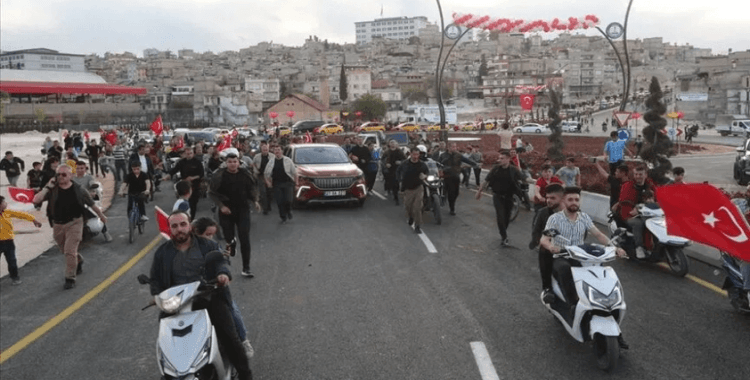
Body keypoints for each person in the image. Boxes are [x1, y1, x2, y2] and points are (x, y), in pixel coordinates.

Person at [148, 211, 253, 380]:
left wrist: (222, 274)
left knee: (229, 335)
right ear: (170, 229)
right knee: (167, 339)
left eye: (183, 224)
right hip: (177, 303)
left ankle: (245, 374)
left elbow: (221, 261)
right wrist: (157, 294)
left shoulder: (207, 245)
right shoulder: (162, 253)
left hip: (209, 297)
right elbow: (155, 278)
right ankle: (170, 373)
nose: (179, 229)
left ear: (190, 225)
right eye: (174, 226)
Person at [539, 187, 629, 349]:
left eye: (576, 200)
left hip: (583, 256)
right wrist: (552, 247)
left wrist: (613, 247)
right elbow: (544, 239)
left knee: (601, 276)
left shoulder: (584, 218)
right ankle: (573, 305)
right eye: (570, 200)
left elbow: (598, 235)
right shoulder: (555, 219)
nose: (574, 203)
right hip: (563, 256)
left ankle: (615, 328)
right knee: (564, 270)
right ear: (564, 201)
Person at [33, 165, 108, 290]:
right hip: (57, 224)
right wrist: (47, 186)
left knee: (69, 251)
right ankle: (78, 259)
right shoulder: (52, 190)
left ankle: (70, 278)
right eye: (58, 175)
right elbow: (36, 200)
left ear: (70, 176)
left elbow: (91, 204)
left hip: (75, 223)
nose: (60, 177)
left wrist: (101, 216)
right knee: (65, 250)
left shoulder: (79, 190)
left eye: (64, 174)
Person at [191, 217, 254, 359]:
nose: (210, 238)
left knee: (231, 308)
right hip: (191, 292)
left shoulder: (213, 246)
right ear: (196, 232)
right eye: (207, 234)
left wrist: (223, 274)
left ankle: (243, 340)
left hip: (214, 288)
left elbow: (222, 261)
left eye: (212, 234)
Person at [209, 152, 261, 278]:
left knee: (245, 238)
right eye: (230, 162)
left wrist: (255, 201)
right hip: (226, 211)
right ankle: (231, 245)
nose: (233, 164)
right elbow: (212, 193)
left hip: (243, 210)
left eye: (235, 162)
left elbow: (252, 188)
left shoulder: (245, 174)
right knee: (229, 238)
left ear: (239, 162)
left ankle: (246, 268)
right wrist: (221, 206)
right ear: (226, 163)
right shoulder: (219, 175)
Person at [476, 150, 525, 246]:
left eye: (502, 158)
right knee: (500, 216)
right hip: (498, 196)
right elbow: (486, 180)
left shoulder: (513, 170)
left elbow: (524, 178)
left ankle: (503, 231)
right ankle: (504, 237)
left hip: (509, 197)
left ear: (508, 159)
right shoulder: (495, 169)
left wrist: (536, 182)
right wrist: (479, 191)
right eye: (499, 158)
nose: (499, 160)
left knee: (507, 218)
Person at [528, 184, 565, 303]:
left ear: (563, 198)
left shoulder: (574, 213)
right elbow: (536, 230)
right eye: (547, 197)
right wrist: (537, 242)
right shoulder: (543, 212)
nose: (548, 200)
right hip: (549, 249)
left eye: (553, 198)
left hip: (568, 249)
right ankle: (547, 288)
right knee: (544, 254)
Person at [1, 195, 43, 285]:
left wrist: (34, 220)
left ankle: (15, 278)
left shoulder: (7, 212)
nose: (5, 203)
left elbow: (21, 215)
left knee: (12, 261)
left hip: (9, 242)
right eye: (3, 202)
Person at [618, 164, 656, 259]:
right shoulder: (627, 186)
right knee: (638, 223)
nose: (638, 176)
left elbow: (658, 197)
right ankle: (639, 247)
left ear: (645, 175)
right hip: (630, 214)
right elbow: (624, 200)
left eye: (640, 174)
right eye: (636, 174)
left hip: (649, 213)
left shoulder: (650, 185)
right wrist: (634, 208)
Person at [165, 146, 205, 221]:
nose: (189, 155)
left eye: (190, 153)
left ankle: (191, 219)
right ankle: (183, 219)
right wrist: (168, 175)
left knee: (193, 205)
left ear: (193, 153)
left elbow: (201, 174)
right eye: (187, 154)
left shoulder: (197, 162)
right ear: (184, 154)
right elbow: (174, 170)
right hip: (185, 186)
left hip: (195, 186)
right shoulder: (181, 162)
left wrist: (192, 178)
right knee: (184, 204)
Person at [440, 142, 479, 216]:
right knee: (450, 192)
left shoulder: (458, 155)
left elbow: (466, 160)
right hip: (447, 177)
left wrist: (475, 164)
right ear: (448, 147)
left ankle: (450, 201)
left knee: (456, 193)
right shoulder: (443, 155)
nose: (454, 148)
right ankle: (452, 208)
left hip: (456, 176)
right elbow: (438, 164)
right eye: (452, 147)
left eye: (455, 147)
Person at [397, 147, 429, 233]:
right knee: (408, 206)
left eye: (417, 154)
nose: (415, 156)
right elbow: (398, 172)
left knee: (417, 207)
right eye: (414, 154)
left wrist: (425, 176)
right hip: (407, 188)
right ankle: (411, 217)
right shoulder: (405, 164)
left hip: (418, 187)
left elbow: (427, 172)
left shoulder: (422, 164)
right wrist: (400, 181)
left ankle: (417, 225)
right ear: (410, 154)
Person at [264, 145, 296, 224]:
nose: (277, 151)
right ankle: (283, 217)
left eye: (278, 150)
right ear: (274, 152)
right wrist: (268, 182)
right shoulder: (271, 161)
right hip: (277, 184)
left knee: (288, 200)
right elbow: (266, 173)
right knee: (280, 201)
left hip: (288, 183)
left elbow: (294, 172)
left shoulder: (288, 160)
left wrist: (296, 182)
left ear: (282, 151)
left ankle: (288, 210)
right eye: (275, 150)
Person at [252, 141, 274, 215]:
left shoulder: (272, 156)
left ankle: (268, 205)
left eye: (266, 149)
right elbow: (253, 164)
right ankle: (265, 208)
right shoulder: (257, 156)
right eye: (264, 149)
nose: (265, 151)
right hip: (260, 176)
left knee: (269, 192)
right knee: (263, 192)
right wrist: (256, 171)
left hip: (269, 176)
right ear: (261, 150)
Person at [382, 140, 406, 205]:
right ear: (389, 144)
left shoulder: (399, 151)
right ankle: (395, 197)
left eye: (394, 143)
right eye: (391, 143)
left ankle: (396, 193)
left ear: (396, 144)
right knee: (392, 182)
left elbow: (405, 159)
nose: (392, 145)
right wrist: (386, 164)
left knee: (396, 182)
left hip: (397, 169)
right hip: (389, 169)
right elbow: (382, 159)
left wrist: (400, 162)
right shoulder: (387, 152)